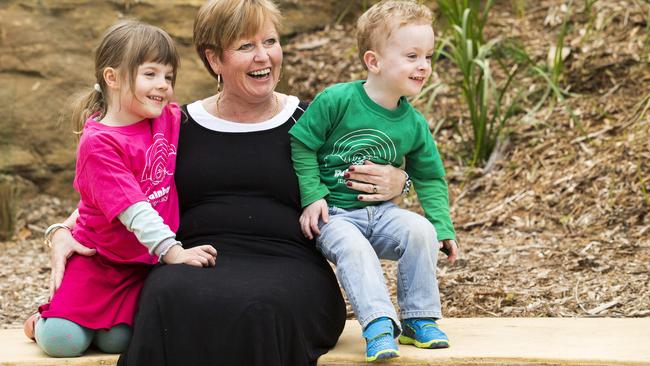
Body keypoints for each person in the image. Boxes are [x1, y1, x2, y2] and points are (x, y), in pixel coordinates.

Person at [45, 1, 409, 365]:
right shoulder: (178, 124)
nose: (263, 56)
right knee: (167, 296)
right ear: (214, 59)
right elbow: (123, 187)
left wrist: (400, 181)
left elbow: (359, 176)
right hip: (192, 258)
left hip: (290, 264)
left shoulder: (314, 120)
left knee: (261, 307)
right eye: (246, 46)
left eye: (270, 41)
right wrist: (62, 229)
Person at [23, 20, 217, 358]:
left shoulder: (166, 118)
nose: (163, 86)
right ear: (112, 78)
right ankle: (38, 322)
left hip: (139, 265)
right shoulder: (99, 143)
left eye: (168, 76)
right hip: (98, 259)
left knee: (120, 342)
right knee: (63, 342)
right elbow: (134, 209)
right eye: (151, 74)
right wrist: (174, 253)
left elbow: (210, 116)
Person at [288, 0, 459, 362]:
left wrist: (442, 227)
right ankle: (379, 324)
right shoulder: (337, 100)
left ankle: (418, 319)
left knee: (419, 231)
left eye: (428, 56)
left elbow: (430, 176)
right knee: (353, 248)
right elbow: (302, 143)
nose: (423, 66)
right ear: (374, 61)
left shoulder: (413, 123)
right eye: (412, 56)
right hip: (334, 215)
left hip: (381, 213)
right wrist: (313, 195)